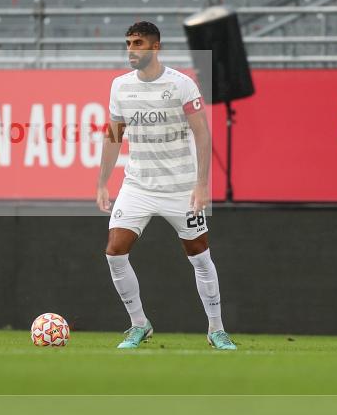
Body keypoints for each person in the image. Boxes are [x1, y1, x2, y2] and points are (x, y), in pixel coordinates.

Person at [96, 21, 236, 350]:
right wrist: (103, 182)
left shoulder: (181, 85)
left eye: (139, 43)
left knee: (200, 257)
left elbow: (202, 134)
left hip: (181, 187)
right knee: (115, 252)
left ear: (156, 47)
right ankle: (139, 324)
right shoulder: (120, 87)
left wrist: (202, 185)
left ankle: (216, 329)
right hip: (138, 186)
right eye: (128, 42)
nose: (131, 49)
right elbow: (114, 134)